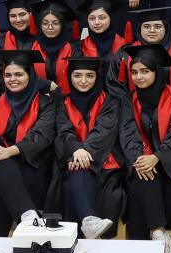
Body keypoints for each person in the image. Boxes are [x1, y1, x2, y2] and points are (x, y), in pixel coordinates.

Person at [117, 44, 171, 253]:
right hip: (140, 165)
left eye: (145, 71)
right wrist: (142, 159)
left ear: (157, 72)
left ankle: (151, 235)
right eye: (134, 72)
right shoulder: (127, 101)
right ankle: (158, 233)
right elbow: (127, 135)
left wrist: (157, 157)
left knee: (144, 177)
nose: (138, 77)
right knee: (143, 173)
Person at [0, 50, 56, 236]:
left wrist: (8, 152)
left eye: (19, 74)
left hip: (31, 161)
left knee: (0, 182)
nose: (12, 79)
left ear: (30, 75)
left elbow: (42, 136)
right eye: (8, 75)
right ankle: (28, 214)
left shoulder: (45, 103)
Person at [48, 57, 124, 239]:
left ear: (97, 76)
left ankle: (86, 225)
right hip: (71, 159)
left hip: (104, 162)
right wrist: (76, 150)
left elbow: (104, 131)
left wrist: (83, 153)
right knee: (72, 178)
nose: (83, 81)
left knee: (81, 175)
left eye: (90, 75)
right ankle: (89, 222)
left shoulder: (110, 101)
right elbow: (63, 131)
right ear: (69, 76)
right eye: (77, 75)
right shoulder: (62, 103)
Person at [118, 7, 171, 97]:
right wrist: (127, 102)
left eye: (157, 26)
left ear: (166, 28)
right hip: (133, 104)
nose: (152, 30)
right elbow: (116, 84)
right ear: (140, 28)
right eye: (146, 26)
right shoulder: (125, 53)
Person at [0, 0, 37, 100]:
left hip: (39, 100)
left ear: (30, 14)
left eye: (22, 14)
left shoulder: (41, 40)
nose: (18, 19)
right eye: (13, 16)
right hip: (6, 100)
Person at [76, 0, 128, 96]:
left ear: (111, 18)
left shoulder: (124, 46)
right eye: (92, 18)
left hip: (120, 98)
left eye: (102, 18)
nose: (96, 22)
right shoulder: (79, 47)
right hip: (91, 99)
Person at [29, 0, 79, 94]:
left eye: (55, 23)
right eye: (45, 23)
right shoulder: (31, 48)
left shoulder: (74, 50)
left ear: (62, 25)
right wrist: (46, 85)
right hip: (37, 99)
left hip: (66, 99)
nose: (50, 27)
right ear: (40, 25)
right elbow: (26, 76)